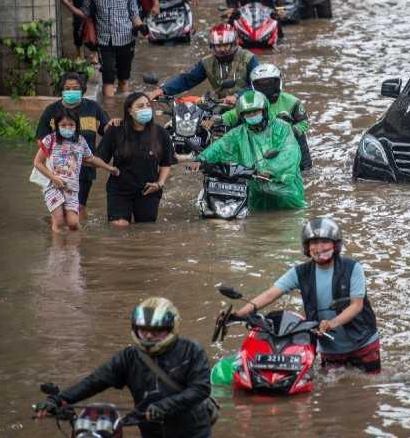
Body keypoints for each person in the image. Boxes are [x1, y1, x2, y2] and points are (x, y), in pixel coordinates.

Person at [34, 297, 214, 438]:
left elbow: (201, 389)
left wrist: (165, 405)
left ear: (171, 328)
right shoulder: (129, 357)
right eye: (143, 330)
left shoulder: (192, 350)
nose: (149, 336)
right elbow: (95, 381)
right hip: (151, 432)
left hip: (193, 432)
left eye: (157, 331)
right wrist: (58, 399)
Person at [234, 217, 380, 372]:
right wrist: (238, 315)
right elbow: (270, 295)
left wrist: (332, 323)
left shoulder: (352, 268)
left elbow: (356, 306)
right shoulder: (300, 273)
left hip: (363, 342)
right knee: (331, 386)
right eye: (314, 243)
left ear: (335, 244)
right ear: (307, 247)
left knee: (370, 384)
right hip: (329, 348)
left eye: (325, 242)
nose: (319, 248)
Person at [196, 90, 307, 210]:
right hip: (255, 192)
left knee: (291, 219)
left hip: (286, 193)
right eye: (248, 114)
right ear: (242, 116)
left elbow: (290, 154)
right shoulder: (238, 134)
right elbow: (220, 147)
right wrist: (200, 160)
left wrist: (270, 170)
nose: (252, 116)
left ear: (264, 111)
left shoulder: (282, 128)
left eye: (255, 112)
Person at [35, 72, 112, 218]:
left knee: (79, 206)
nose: (71, 91)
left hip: (85, 168)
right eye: (67, 88)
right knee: (58, 208)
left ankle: (79, 231)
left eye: (75, 88)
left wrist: (113, 125)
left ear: (82, 90)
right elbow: (41, 139)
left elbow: (106, 131)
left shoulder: (93, 108)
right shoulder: (51, 110)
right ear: (61, 90)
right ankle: (59, 229)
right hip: (57, 170)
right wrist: (52, 164)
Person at [33, 107, 119, 233]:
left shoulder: (80, 141)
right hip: (52, 185)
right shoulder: (50, 140)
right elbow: (37, 163)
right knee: (59, 221)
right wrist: (54, 178)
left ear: (76, 125)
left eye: (71, 125)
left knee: (73, 223)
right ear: (57, 126)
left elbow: (90, 159)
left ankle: (79, 242)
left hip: (71, 188)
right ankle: (57, 245)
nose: (67, 128)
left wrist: (109, 168)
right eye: (63, 125)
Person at [96, 92, 177, 225]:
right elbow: (99, 158)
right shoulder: (116, 131)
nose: (145, 109)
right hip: (120, 189)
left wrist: (160, 184)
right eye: (140, 106)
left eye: (148, 105)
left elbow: (166, 163)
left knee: (145, 229)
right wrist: (110, 169)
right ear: (129, 111)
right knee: (119, 226)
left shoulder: (160, 133)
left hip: (148, 189)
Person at [220, 63, 311, 170]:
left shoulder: (292, 101)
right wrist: (218, 120)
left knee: (300, 140)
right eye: (261, 84)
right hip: (256, 139)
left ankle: (304, 169)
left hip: (287, 142)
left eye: (270, 83)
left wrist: (291, 132)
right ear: (253, 86)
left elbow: (304, 122)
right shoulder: (249, 102)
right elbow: (232, 115)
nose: (267, 87)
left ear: (278, 82)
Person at [81, 0, 147, 96]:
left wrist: (142, 27)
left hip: (126, 40)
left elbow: (134, 15)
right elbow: (85, 14)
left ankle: (122, 105)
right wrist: (67, 4)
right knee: (108, 78)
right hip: (104, 42)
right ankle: (109, 107)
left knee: (124, 79)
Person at [146, 23, 258, 106]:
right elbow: (187, 79)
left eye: (226, 45)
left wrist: (237, 96)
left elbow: (257, 85)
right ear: (212, 46)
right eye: (218, 46)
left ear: (233, 44)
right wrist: (162, 90)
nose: (222, 49)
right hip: (222, 105)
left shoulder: (248, 58)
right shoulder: (207, 62)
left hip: (249, 105)